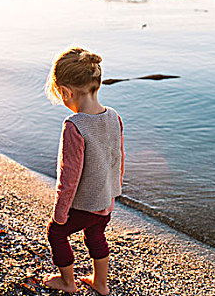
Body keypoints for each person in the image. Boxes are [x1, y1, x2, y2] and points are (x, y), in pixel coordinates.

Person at [43, 47, 125, 294]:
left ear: (66, 91)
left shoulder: (74, 126)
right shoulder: (114, 116)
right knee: (96, 235)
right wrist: (112, 192)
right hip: (105, 199)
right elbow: (118, 158)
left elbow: (69, 176)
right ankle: (101, 284)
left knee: (56, 234)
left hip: (82, 204)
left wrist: (60, 212)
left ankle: (68, 282)